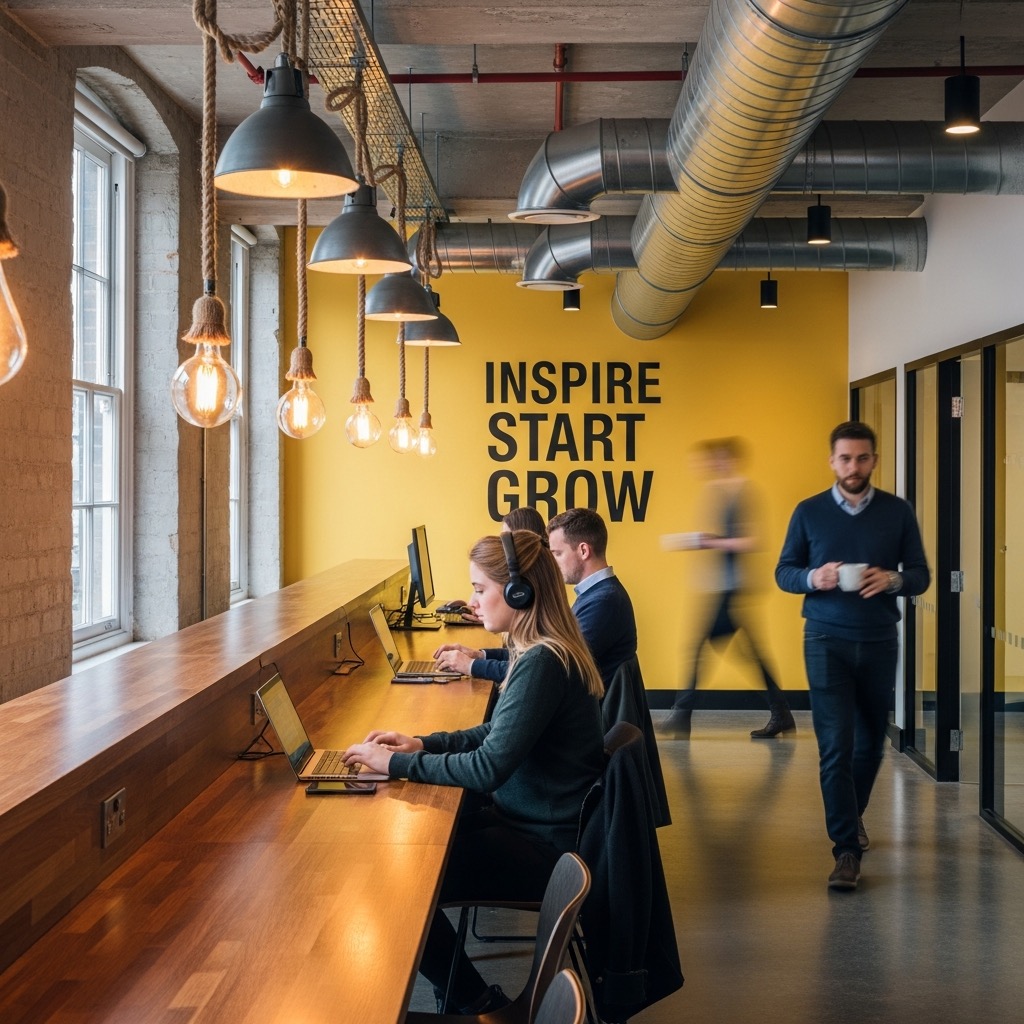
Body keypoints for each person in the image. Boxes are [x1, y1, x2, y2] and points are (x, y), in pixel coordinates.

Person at [344, 530, 605, 1013]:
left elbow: (487, 768)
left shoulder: (543, 663)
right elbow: (492, 739)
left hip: (545, 846)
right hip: (532, 823)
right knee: (415, 848)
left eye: (480, 588)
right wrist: (420, 743)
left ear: (519, 593)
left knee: (400, 884)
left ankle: (472, 1000)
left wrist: (398, 764)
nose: (472, 601)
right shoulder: (539, 651)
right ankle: (463, 992)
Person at [775, 421, 929, 891]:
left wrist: (894, 581)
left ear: (874, 461)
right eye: (845, 458)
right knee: (836, 746)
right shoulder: (809, 512)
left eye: (862, 458)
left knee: (870, 744)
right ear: (832, 461)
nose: (854, 467)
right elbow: (784, 571)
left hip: (881, 638)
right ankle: (844, 849)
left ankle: (851, 815)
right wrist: (812, 579)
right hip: (824, 639)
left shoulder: (897, 512)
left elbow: (921, 574)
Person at [658, 437, 794, 740]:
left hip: (733, 587)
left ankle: (682, 716)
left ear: (729, 459)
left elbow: (752, 540)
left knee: (698, 649)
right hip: (720, 586)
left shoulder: (744, 492)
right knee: (748, 652)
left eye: (717, 459)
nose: (711, 465)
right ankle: (781, 711)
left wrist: (710, 541)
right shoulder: (715, 491)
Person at [434, 508, 638, 690]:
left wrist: (471, 666)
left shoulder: (604, 602)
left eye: (556, 554)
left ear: (584, 551)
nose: (551, 563)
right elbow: (536, 658)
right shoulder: (595, 595)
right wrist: (481, 655)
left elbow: (550, 667)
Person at [432, 506, 551, 676]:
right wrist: (479, 655)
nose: (500, 548)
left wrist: (471, 665)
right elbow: (517, 658)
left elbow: (524, 668)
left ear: (517, 593)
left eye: (505, 544)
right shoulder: (536, 645)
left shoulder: (540, 657)